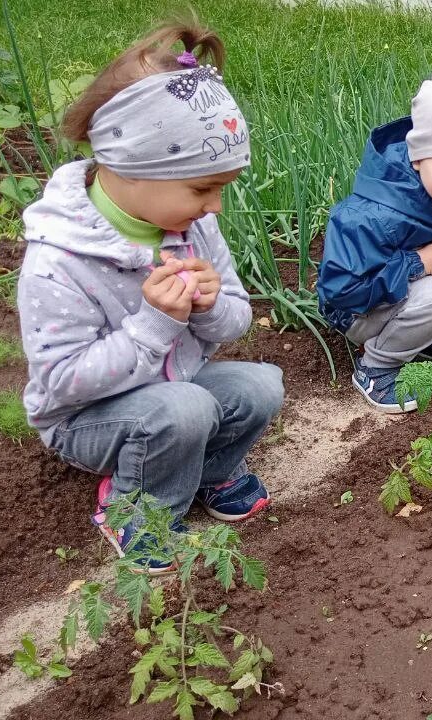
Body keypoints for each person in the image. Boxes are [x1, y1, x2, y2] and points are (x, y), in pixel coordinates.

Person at [19, 21, 283, 572]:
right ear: (133, 169)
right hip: (86, 418)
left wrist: (211, 306)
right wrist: (154, 324)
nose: (215, 207)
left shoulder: (192, 227)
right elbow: (63, 381)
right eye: (202, 189)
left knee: (261, 385)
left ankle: (209, 472)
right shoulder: (59, 262)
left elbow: (235, 319)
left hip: (175, 390)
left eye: (221, 189)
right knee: (183, 408)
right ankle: (139, 511)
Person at [318, 74, 432, 413]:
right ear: (418, 157)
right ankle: (376, 368)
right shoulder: (371, 215)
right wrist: (420, 262)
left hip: (414, 294)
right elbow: (342, 291)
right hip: (358, 312)